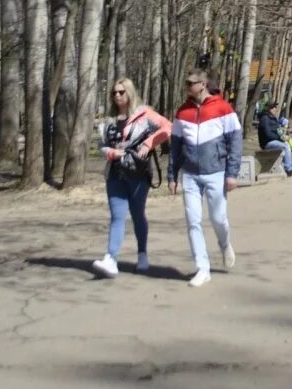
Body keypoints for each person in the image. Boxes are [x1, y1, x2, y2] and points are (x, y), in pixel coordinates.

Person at [92, 78, 172, 278]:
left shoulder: (145, 114)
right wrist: (109, 152)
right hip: (115, 174)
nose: (117, 96)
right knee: (117, 217)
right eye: (114, 93)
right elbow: (101, 145)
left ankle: (142, 254)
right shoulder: (109, 120)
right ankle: (111, 259)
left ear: (129, 93)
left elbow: (168, 127)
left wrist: (148, 144)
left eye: (121, 92)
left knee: (137, 215)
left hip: (138, 173)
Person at [169, 69, 242, 288]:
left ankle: (224, 243)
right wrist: (172, 176)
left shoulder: (223, 108)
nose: (187, 86)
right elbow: (175, 147)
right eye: (186, 82)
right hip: (190, 175)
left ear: (202, 84)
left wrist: (232, 173)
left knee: (218, 219)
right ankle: (203, 268)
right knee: (193, 221)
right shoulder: (182, 112)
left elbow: (235, 143)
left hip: (216, 173)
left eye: (191, 83)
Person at [257, 101, 292, 176]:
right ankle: (288, 169)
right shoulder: (264, 119)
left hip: (275, 140)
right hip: (267, 143)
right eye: (272, 107)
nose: (274, 109)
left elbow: (279, 131)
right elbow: (268, 135)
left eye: (275, 107)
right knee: (285, 146)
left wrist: (285, 135)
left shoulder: (273, 118)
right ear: (267, 108)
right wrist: (281, 138)